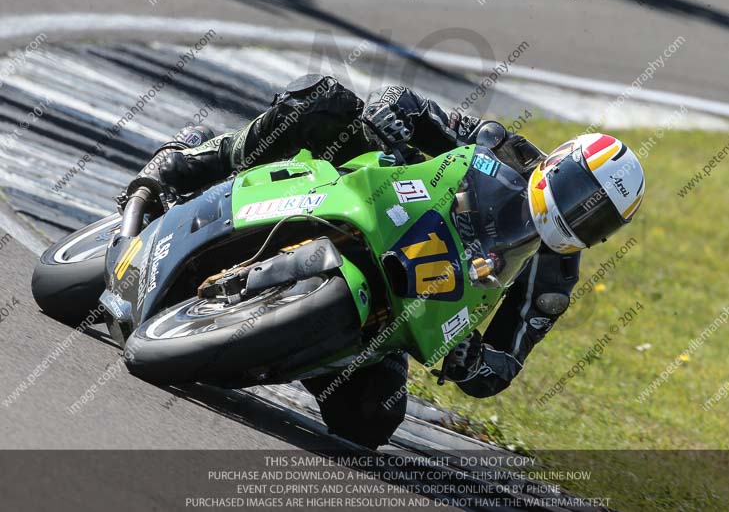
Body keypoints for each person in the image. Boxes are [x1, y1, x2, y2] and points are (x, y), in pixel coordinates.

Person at [126, 74, 645, 448]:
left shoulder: (553, 277)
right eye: (580, 195)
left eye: (596, 220)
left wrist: (473, 362)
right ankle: (199, 160)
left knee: (372, 423)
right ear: (557, 165)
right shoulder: (497, 146)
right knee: (325, 101)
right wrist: (392, 113)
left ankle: (280, 343)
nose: (578, 216)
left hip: (402, 302)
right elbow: (415, 106)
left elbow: (503, 363)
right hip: (369, 198)